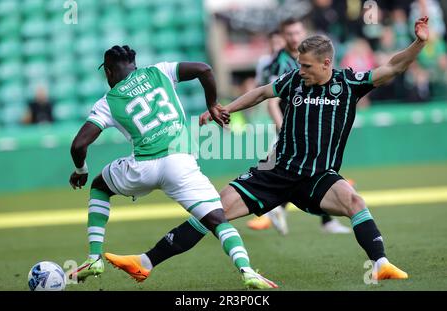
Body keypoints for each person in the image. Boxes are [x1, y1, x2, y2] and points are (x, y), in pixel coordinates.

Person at [116, 16, 430, 283]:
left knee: (354, 200)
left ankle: (380, 264)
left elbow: (392, 67)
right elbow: (262, 93)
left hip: (316, 177)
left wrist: (418, 43)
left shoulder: (348, 84)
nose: (301, 71)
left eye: (306, 66)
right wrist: (226, 108)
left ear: (326, 63)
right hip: (274, 172)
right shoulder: (295, 80)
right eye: (299, 65)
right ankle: (144, 263)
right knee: (211, 211)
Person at [68, 45, 277, 289]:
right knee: (218, 220)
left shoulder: (107, 102)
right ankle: (247, 271)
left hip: (141, 168)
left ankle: (94, 258)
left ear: (110, 72)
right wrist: (212, 104)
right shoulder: (160, 71)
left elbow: (78, 145)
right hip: (179, 164)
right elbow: (204, 69)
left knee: (99, 186)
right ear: (134, 65)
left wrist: (81, 170)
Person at [249, 17, 351, 235]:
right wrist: (283, 129)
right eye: (289, 34)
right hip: (293, 128)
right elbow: (271, 102)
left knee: (315, 170)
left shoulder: (312, 54)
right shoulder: (278, 63)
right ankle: (270, 207)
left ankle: (283, 210)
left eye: (297, 33)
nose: (294, 37)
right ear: (282, 36)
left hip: (313, 125)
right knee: (287, 170)